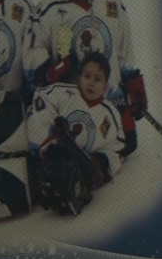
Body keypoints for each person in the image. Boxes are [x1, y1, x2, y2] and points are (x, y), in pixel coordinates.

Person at [27, 0, 149, 123]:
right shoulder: (50, 9)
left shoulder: (110, 2)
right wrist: (47, 72)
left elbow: (124, 51)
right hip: (70, 110)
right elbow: (32, 50)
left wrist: (132, 82)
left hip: (111, 105)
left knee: (124, 138)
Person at [27, 51, 136, 215]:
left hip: (81, 162)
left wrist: (100, 162)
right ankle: (48, 173)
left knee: (85, 169)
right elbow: (40, 97)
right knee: (40, 123)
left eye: (97, 79)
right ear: (79, 78)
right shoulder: (62, 92)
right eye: (87, 76)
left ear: (105, 86)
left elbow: (117, 147)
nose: (91, 83)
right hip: (48, 150)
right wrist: (50, 137)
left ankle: (75, 182)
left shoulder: (110, 114)